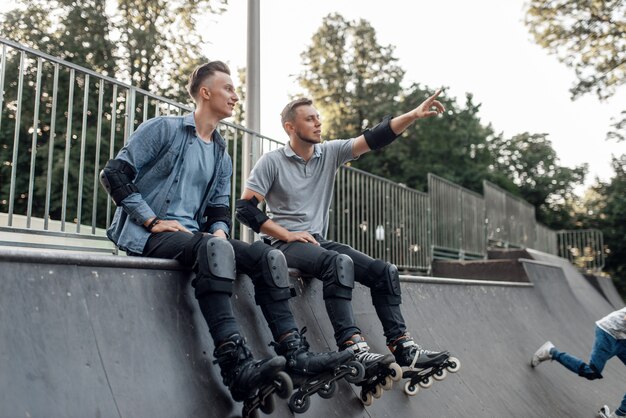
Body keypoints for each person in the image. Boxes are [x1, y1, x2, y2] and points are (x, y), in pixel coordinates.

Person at [100, 61, 349, 405]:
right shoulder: (162, 129)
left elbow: (219, 208)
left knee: (269, 255)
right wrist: (151, 220)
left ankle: (295, 355)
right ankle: (236, 365)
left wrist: (218, 230)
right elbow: (114, 174)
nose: (235, 95)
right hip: (150, 236)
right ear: (205, 92)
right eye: (228, 88)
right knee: (213, 248)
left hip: (195, 240)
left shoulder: (221, 152)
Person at [236, 93, 451, 375]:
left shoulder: (330, 152)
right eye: (309, 119)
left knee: (384, 271)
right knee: (337, 263)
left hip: (318, 242)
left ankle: (402, 347)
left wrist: (412, 115)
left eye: (318, 117)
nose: (318, 123)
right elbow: (245, 209)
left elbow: (374, 138)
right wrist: (286, 234)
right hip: (284, 244)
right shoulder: (272, 161)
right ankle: (352, 347)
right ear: (290, 127)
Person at [531, 307, 626, 418]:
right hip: (608, 332)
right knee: (592, 372)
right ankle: (551, 352)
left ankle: (619, 414)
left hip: (622, 338)